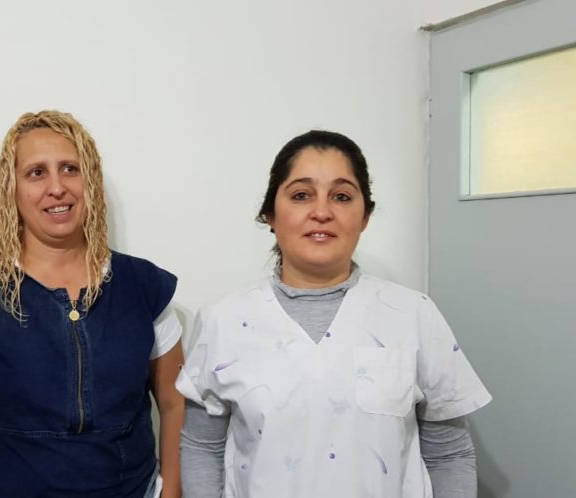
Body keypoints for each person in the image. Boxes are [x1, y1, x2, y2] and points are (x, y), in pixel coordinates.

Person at [177, 130, 492, 498]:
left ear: (364, 216)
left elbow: (449, 454)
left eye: (341, 197)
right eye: (301, 195)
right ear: (270, 214)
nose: (322, 212)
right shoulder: (224, 321)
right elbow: (202, 447)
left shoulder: (414, 315)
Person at [0, 110, 184, 497]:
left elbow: (175, 402)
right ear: (12, 189)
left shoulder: (144, 288)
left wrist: (172, 491)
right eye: (36, 173)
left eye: (70, 169)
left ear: (90, 180)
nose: (57, 187)